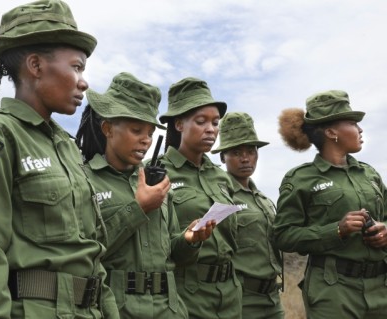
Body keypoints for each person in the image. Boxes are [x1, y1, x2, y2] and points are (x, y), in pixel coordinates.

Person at [0, 1, 119, 318]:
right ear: (36, 66)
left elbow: (92, 254)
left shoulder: (66, 146)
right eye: (77, 67)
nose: (84, 82)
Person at [75, 72, 215, 318]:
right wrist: (137, 208)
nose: (146, 141)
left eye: (150, 133)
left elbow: (173, 254)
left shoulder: (158, 183)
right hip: (117, 309)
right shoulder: (84, 180)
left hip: (168, 309)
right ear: (107, 128)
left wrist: (190, 239)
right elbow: (82, 252)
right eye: (136, 130)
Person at [274, 90, 387, 318]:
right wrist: (336, 230)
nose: (360, 129)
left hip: (380, 288)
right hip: (333, 291)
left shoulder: (370, 174)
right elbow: (283, 235)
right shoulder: (300, 178)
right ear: (331, 132)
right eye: (352, 123)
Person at [157, 77, 241, 319]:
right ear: (179, 124)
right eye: (201, 121)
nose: (211, 129)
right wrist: (190, 239)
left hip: (230, 295)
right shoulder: (157, 173)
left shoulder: (222, 178)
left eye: (215, 123)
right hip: (188, 296)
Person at [211, 112, 284, 319]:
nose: (245, 158)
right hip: (241, 298)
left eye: (250, 151)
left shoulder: (263, 200)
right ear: (222, 156)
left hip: (272, 296)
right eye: (236, 152)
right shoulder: (220, 195)